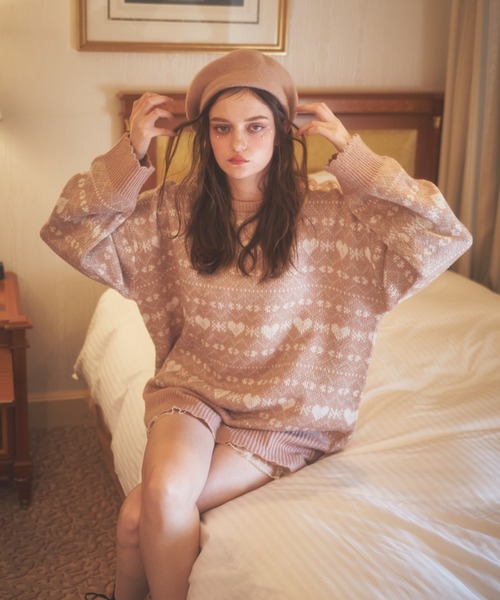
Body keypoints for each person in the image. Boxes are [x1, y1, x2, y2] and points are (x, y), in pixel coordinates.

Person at [41, 50, 472, 600]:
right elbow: (69, 229)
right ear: (205, 134)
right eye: (222, 128)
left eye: (256, 126)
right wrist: (131, 153)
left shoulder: (331, 214)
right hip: (193, 391)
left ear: (283, 131)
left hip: (284, 413)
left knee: (135, 518)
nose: (238, 143)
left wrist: (354, 156)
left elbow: (441, 234)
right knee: (163, 494)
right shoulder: (175, 210)